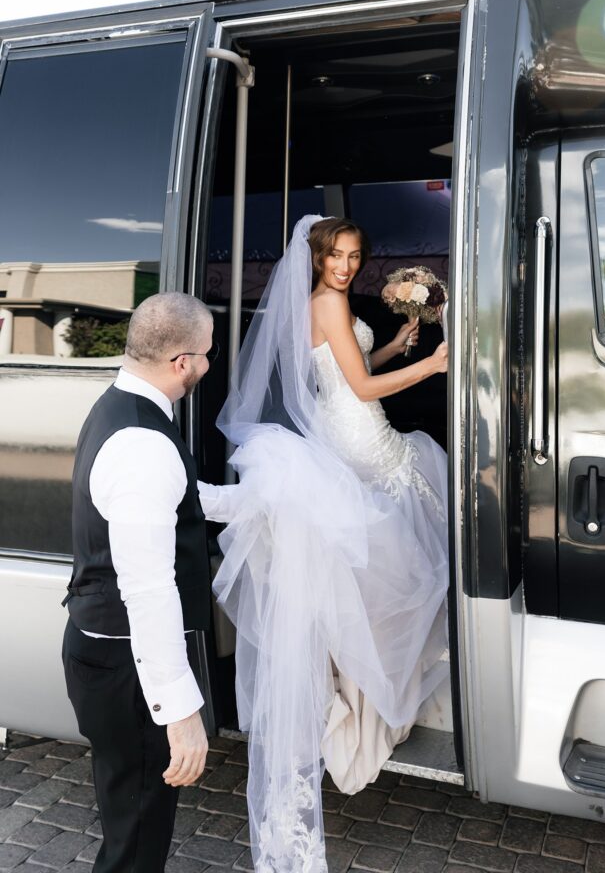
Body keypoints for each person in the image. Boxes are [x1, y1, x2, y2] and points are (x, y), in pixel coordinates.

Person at [213, 216, 450, 873]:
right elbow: (364, 391)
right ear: (315, 258)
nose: (345, 266)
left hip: (352, 429)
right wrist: (433, 363)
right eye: (335, 255)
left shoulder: (329, 303)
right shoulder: (325, 300)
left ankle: (381, 664)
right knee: (413, 550)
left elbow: (350, 370)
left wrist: (397, 343)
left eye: (353, 256)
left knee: (409, 543)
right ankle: (380, 671)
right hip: (364, 439)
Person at [61, 292, 236, 873]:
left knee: (128, 821)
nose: (210, 365)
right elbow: (149, 590)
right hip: (127, 672)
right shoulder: (142, 442)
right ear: (182, 361)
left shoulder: (122, 405)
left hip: (106, 656)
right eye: (207, 354)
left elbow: (178, 499)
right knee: (136, 838)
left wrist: (261, 502)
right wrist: (181, 714)